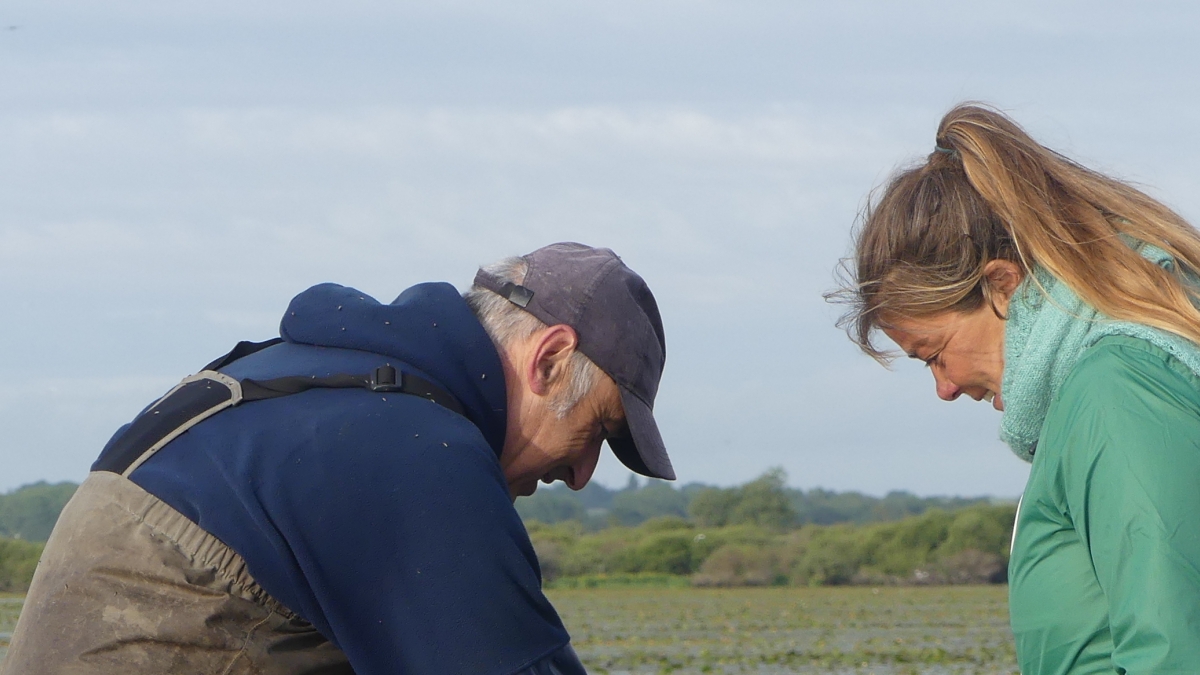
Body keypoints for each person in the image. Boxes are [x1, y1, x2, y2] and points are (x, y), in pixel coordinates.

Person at [3, 242, 673, 675]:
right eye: (599, 429)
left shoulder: (333, 384)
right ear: (550, 360)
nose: (583, 476)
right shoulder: (412, 447)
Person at [836, 104, 1200, 674]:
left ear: (1002, 287)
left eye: (934, 355)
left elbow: (1176, 652)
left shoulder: (1117, 391)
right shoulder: (1104, 393)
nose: (945, 388)